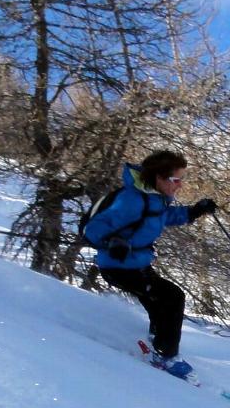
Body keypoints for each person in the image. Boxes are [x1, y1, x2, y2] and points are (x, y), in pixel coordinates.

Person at [84, 151, 216, 379]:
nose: (180, 185)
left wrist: (195, 210)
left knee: (160, 305)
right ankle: (166, 357)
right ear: (158, 177)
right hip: (118, 267)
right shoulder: (132, 200)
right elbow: (93, 229)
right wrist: (111, 242)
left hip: (136, 265)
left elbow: (166, 216)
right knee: (173, 297)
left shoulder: (154, 198)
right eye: (176, 180)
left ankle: (157, 344)